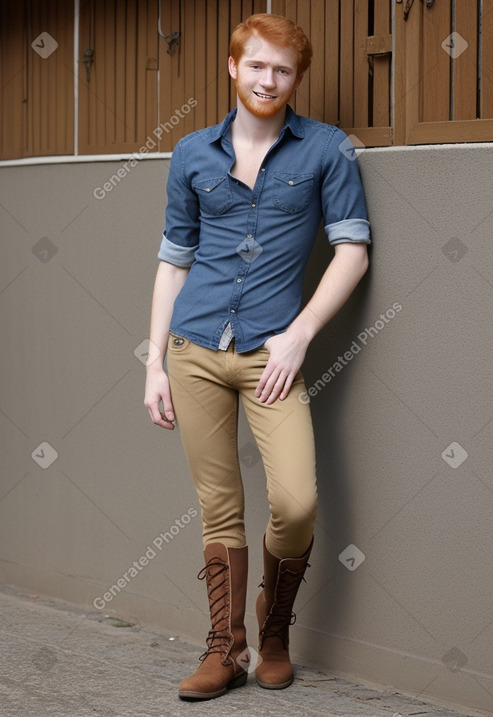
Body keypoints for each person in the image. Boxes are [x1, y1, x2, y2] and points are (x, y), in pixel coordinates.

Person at [144, 12, 370, 701]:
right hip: (195, 346)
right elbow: (172, 261)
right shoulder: (190, 154)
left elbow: (352, 251)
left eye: (283, 70)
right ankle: (227, 649)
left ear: (297, 78)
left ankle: (274, 630)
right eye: (257, 65)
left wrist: (300, 333)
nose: (268, 79)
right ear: (233, 68)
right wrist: (154, 361)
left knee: (296, 502)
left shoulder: (328, 151)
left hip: (273, 352)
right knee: (219, 508)